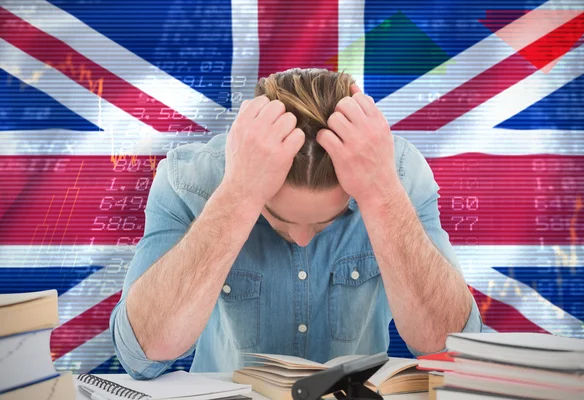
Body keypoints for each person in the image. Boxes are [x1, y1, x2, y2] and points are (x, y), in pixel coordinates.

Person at [110, 67, 482, 379]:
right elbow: (141, 355)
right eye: (279, 218)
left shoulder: (396, 176)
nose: (302, 240)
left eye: (328, 221)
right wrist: (240, 193)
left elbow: (452, 353)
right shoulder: (190, 179)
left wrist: (381, 194)